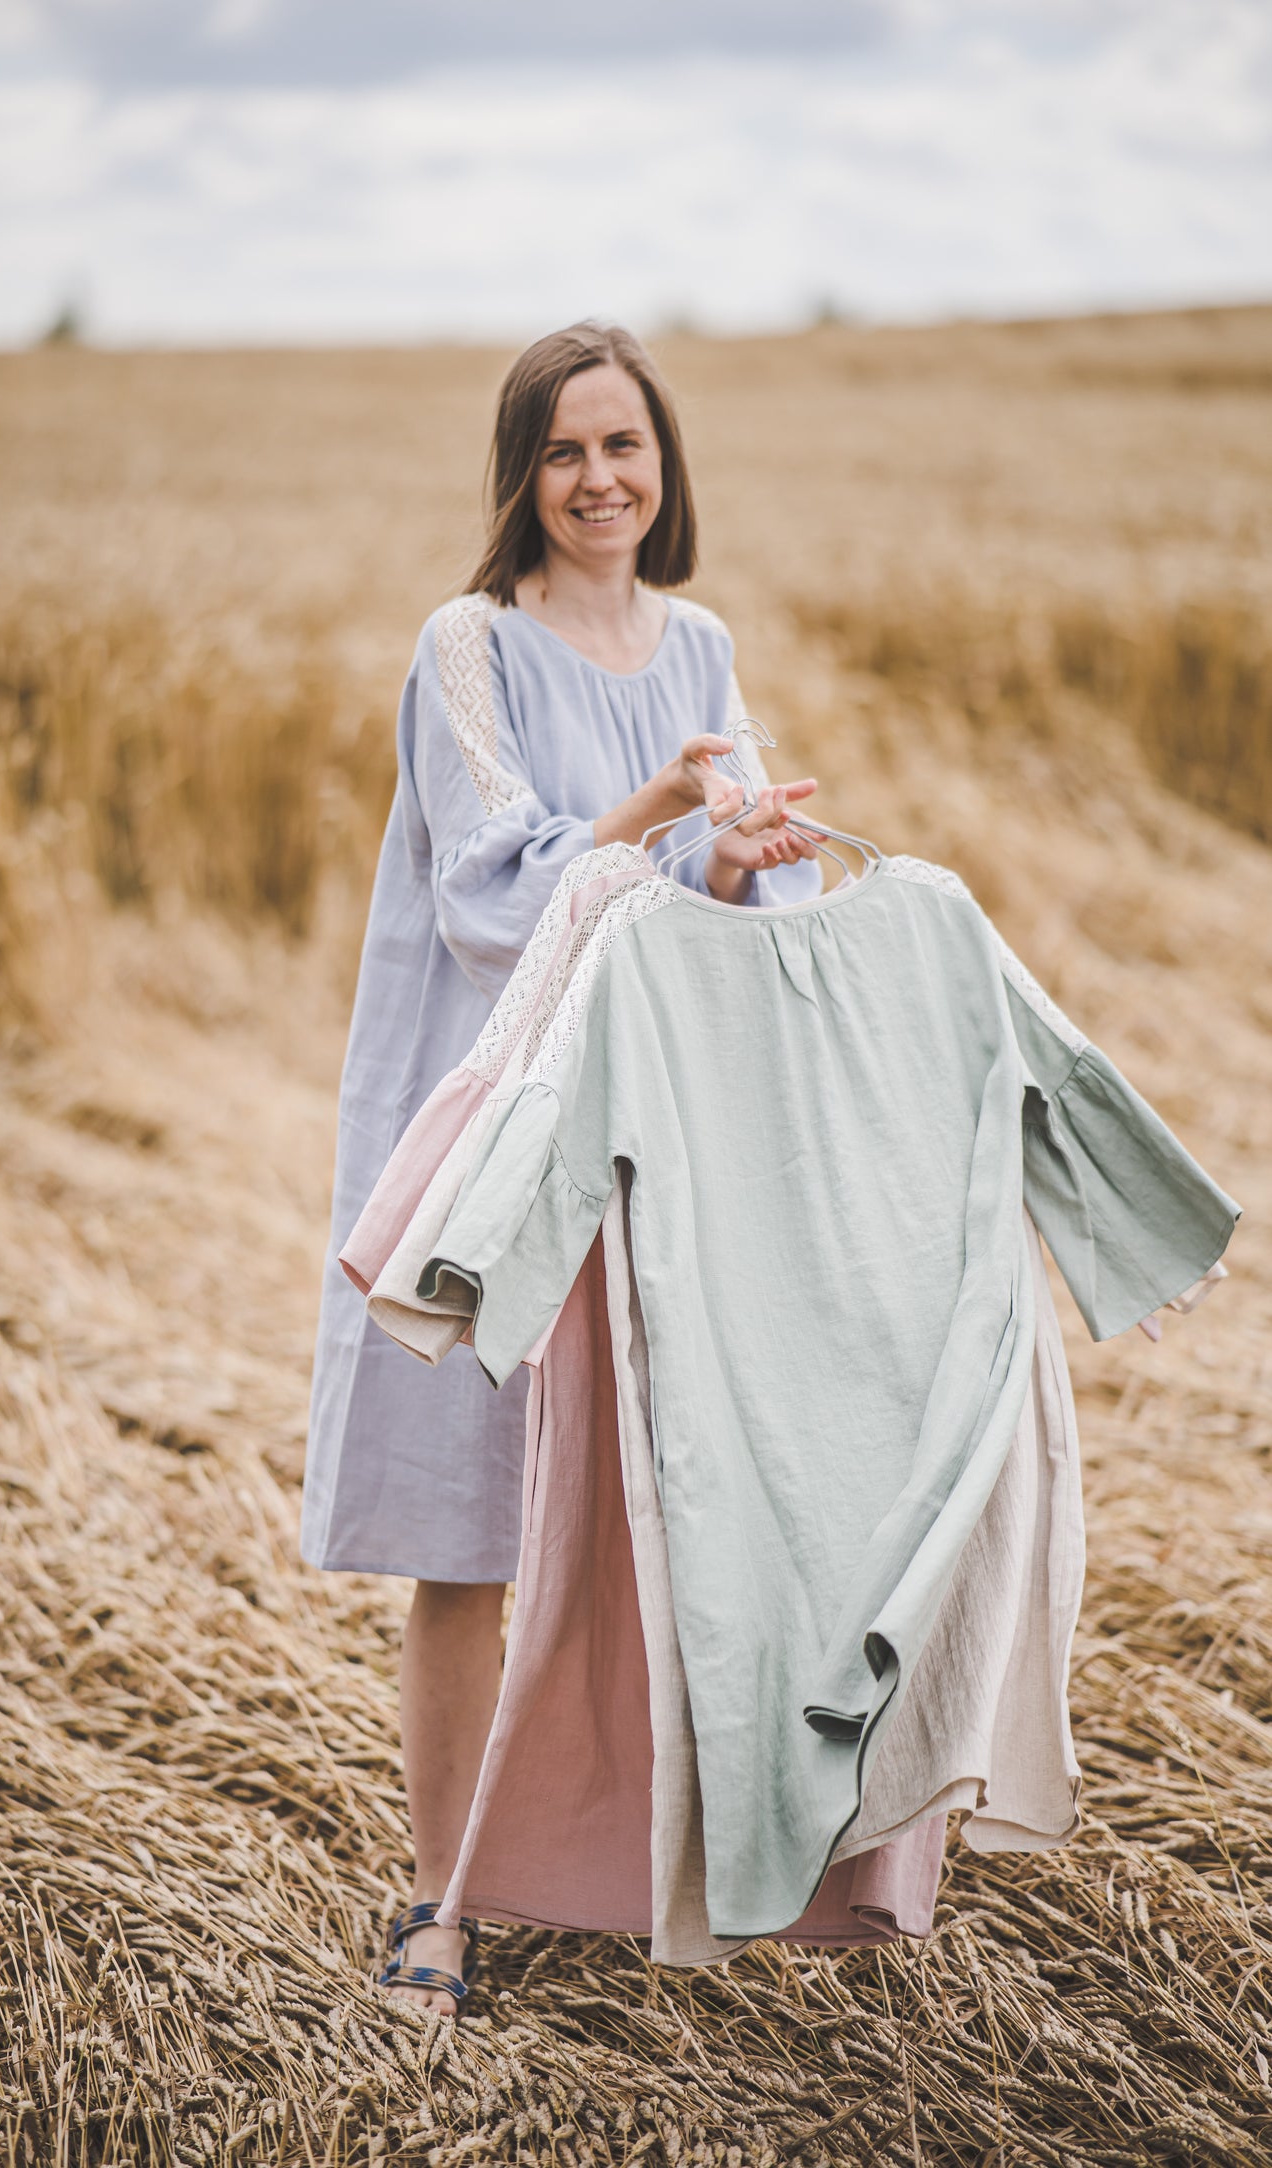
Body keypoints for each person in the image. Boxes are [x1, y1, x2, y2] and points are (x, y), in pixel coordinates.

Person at [303, 321, 822, 2016]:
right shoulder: (470, 644)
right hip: (484, 1130)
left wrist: (747, 855)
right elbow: (488, 891)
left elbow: (732, 903)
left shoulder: (701, 646)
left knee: (641, 1519)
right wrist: (657, 820)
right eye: (564, 451)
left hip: (639, 1134)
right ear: (520, 474)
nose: (601, 480)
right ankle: (436, 1906)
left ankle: (617, 1871)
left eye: (626, 446)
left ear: (663, 463)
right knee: (468, 1533)